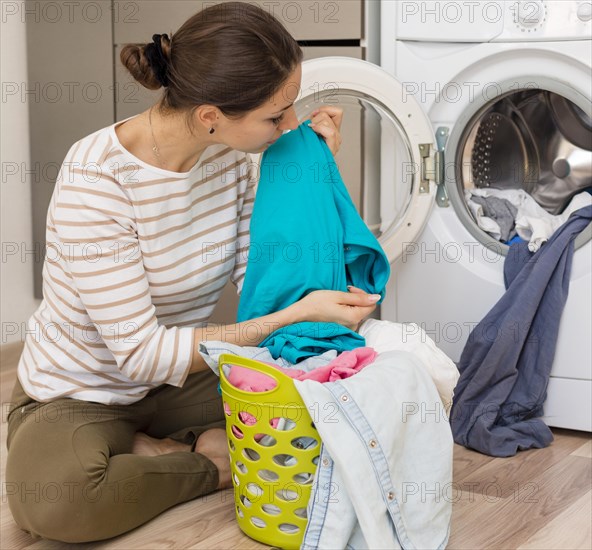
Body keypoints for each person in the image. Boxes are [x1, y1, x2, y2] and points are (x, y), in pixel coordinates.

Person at [5, 2, 379, 543]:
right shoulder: (97, 181)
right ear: (210, 115)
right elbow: (138, 356)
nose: (290, 124)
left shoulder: (227, 159)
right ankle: (209, 465)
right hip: (81, 392)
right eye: (277, 116)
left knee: (335, 409)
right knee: (59, 502)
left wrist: (310, 174)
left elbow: (264, 278)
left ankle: (151, 448)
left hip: (184, 383)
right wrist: (293, 317)